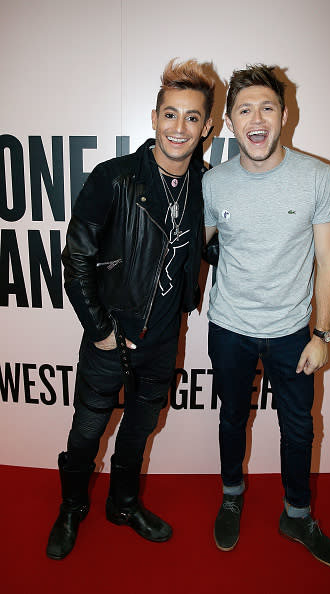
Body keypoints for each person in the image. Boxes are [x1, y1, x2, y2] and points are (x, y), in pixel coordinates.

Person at [46, 58, 214, 560]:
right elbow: (76, 259)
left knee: (140, 429)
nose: (179, 128)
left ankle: (122, 504)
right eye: (170, 114)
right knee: (87, 430)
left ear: (206, 126)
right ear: (154, 118)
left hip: (163, 339)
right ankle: (72, 507)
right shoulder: (114, 178)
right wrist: (101, 333)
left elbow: (209, 250)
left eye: (191, 118)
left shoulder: (209, 187)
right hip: (109, 337)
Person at [203, 64, 330, 569]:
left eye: (267, 107)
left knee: (300, 429)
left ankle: (297, 513)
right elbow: (186, 250)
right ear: (229, 123)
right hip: (229, 328)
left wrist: (323, 334)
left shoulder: (317, 176)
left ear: (285, 116)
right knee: (230, 418)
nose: (257, 118)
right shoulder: (214, 182)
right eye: (245, 109)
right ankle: (231, 494)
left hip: (292, 333)